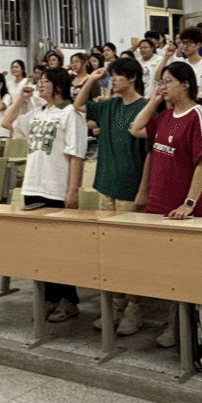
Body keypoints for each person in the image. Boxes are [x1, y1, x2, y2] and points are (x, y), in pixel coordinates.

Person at [130, 61, 202, 347]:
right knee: (162, 267)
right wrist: (154, 101)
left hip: (187, 209)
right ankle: (166, 318)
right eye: (161, 82)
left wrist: (189, 203)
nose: (163, 87)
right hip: (159, 204)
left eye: (168, 82)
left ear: (186, 83)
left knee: (185, 270)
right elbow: (135, 128)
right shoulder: (165, 116)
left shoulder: (198, 115)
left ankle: (181, 325)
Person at [0, 67, 87, 322]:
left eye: (45, 82)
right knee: (42, 249)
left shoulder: (71, 114)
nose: (39, 85)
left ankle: (68, 301)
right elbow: (6, 122)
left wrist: (72, 191)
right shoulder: (38, 112)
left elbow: (76, 155)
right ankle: (50, 298)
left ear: (58, 85)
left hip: (56, 188)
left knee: (60, 250)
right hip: (33, 186)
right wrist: (21, 98)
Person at [75, 57, 150, 336]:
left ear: (132, 78)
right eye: (112, 75)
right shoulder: (109, 106)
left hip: (131, 186)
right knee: (110, 250)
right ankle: (117, 304)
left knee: (132, 252)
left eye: (118, 75)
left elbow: (150, 153)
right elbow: (79, 104)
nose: (113, 79)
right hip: (106, 183)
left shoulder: (145, 107)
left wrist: (144, 189)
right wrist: (92, 79)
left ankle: (134, 307)